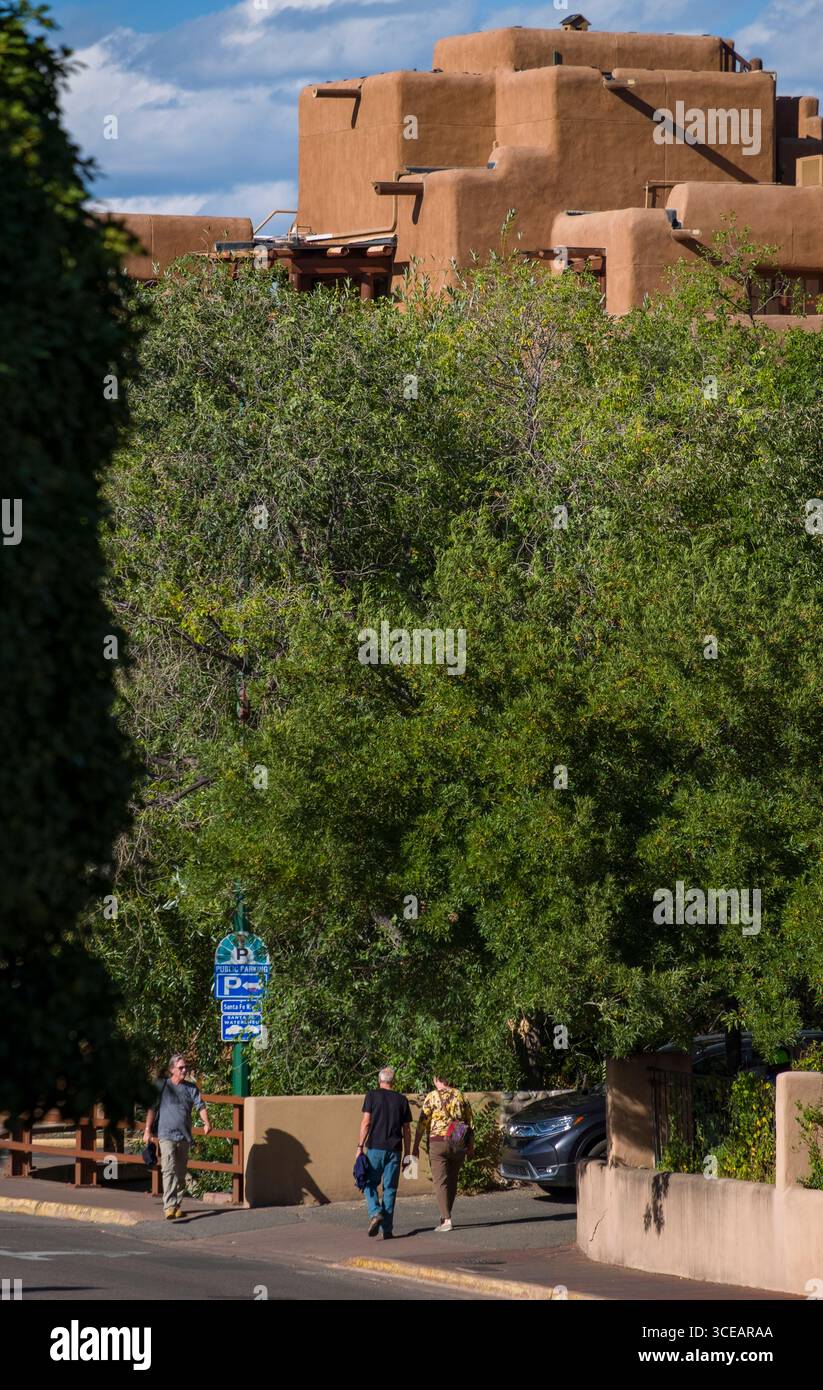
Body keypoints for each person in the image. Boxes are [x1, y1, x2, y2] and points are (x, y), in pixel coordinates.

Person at [143, 1054, 211, 1220]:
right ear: (172, 1069)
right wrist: (147, 1130)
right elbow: (152, 1109)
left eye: (185, 1067)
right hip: (166, 1135)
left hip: (184, 1136)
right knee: (168, 1170)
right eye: (180, 1067)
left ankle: (176, 1204)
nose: (184, 1070)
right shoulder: (162, 1086)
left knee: (180, 1174)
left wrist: (206, 1122)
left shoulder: (191, 1088)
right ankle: (168, 1206)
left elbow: (200, 1106)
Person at [412, 1071, 474, 1232]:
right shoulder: (461, 1095)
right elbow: (470, 1123)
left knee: (440, 1181)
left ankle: (446, 1219)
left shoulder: (432, 1096)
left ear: (436, 1079)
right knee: (452, 1180)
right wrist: (471, 1146)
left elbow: (422, 1123)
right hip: (458, 1139)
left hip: (438, 1141)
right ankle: (445, 1214)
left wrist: (415, 1146)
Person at [356, 1066, 413, 1239]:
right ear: (393, 1081)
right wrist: (408, 1155)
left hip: (375, 1148)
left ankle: (375, 1212)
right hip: (395, 1150)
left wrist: (359, 1146)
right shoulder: (402, 1100)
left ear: (379, 1080)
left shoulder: (372, 1096)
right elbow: (407, 1130)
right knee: (390, 1189)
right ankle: (387, 1229)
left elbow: (366, 1122)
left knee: (367, 1181)